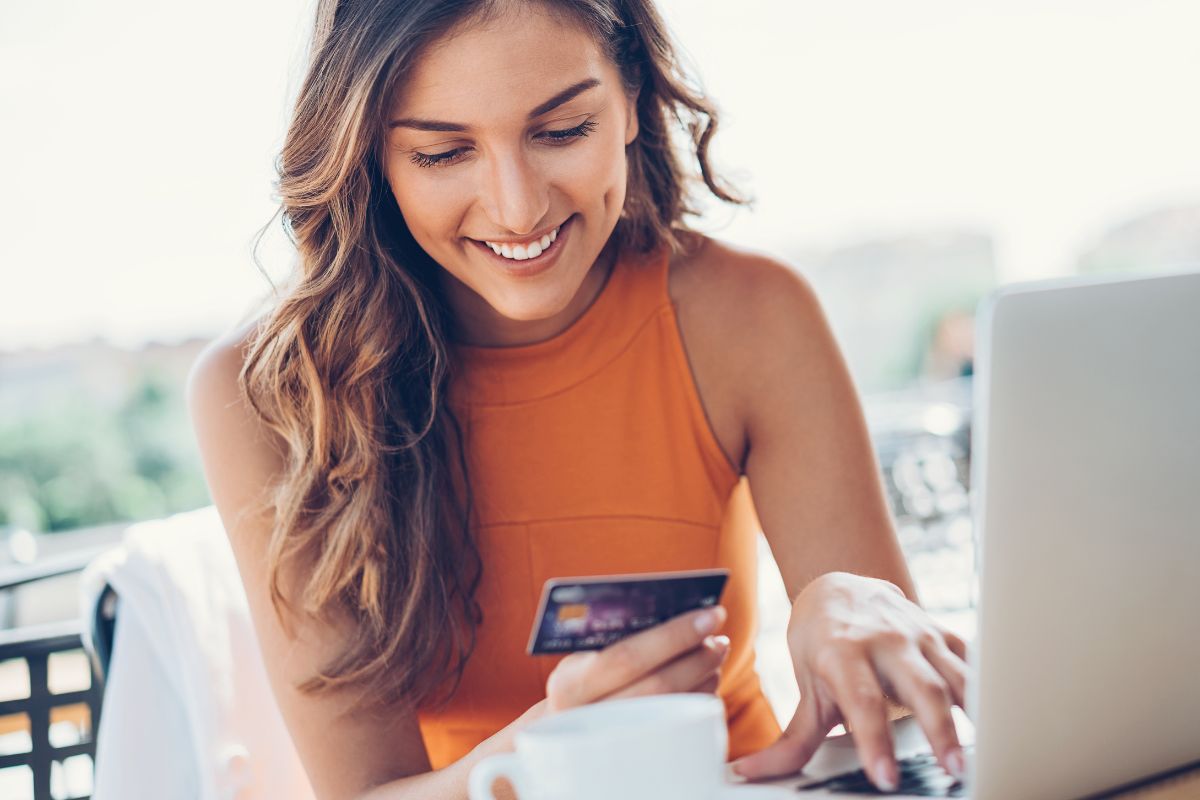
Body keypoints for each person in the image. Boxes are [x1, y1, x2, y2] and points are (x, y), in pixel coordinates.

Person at [187, 1, 969, 798]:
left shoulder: (748, 316)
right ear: (370, 157)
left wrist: (847, 601)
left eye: (562, 132)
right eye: (442, 153)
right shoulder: (269, 397)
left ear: (630, 98)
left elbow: (900, 714)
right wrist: (555, 753)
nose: (517, 208)